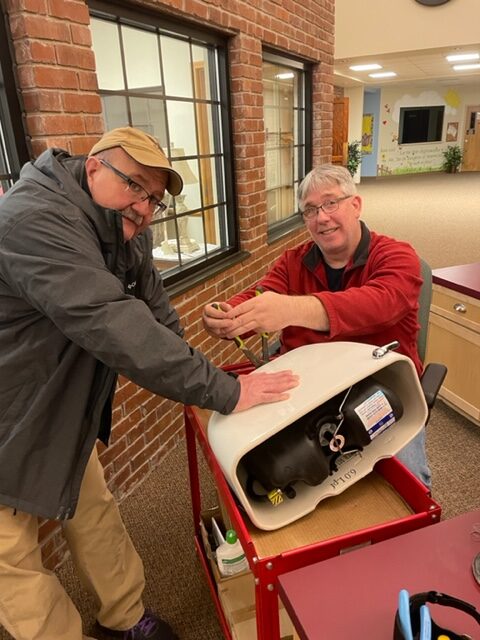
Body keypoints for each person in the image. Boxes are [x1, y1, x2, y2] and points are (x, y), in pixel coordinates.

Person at [0, 127, 299, 640]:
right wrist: (226, 391)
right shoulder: (33, 218)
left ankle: (124, 618)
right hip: (8, 404)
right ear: (94, 166)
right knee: (11, 557)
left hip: (55, 399)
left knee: (92, 510)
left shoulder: (119, 223)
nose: (143, 206)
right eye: (134, 185)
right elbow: (112, 322)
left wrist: (193, 372)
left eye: (153, 198)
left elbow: (154, 311)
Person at [202, 163, 431, 487]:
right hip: (308, 388)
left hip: (382, 388)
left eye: (330, 203)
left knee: (408, 488)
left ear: (356, 204)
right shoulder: (293, 261)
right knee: (260, 473)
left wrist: (294, 309)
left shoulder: (398, 255)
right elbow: (261, 294)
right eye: (310, 210)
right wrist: (228, 314)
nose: (321, 217)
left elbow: (381, 303)